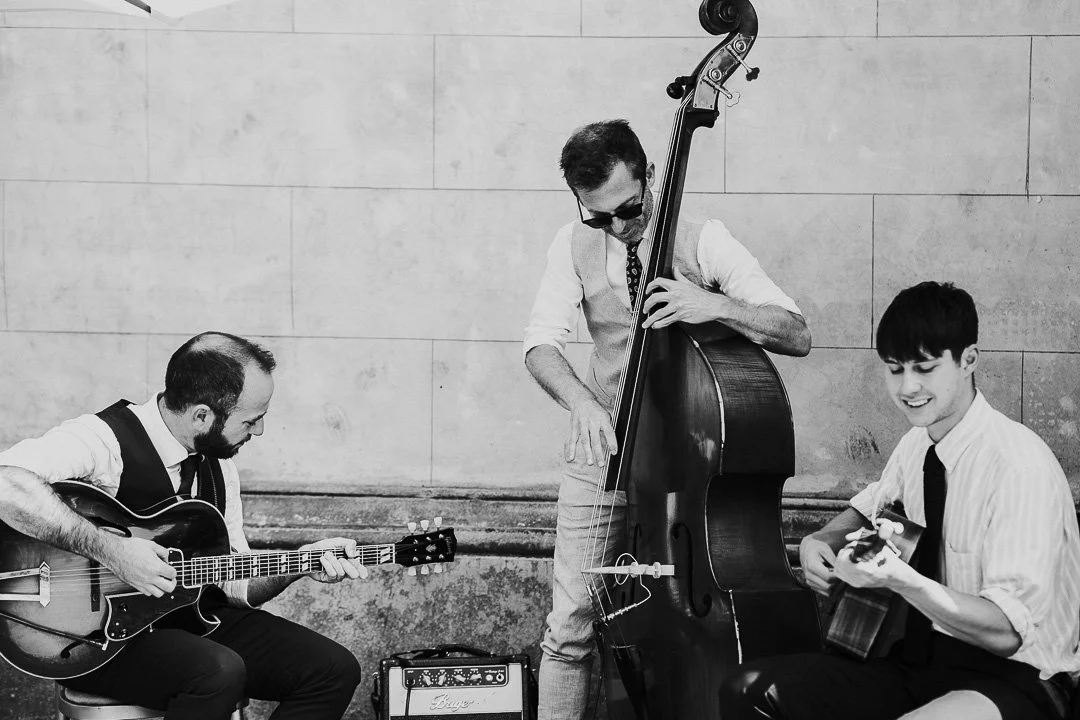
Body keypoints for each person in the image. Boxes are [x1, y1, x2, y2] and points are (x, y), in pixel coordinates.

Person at [523, 118, 811, 720]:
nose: (617, 229)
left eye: (627, 210)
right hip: (604, 455)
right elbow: (540, 345)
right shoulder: (569, 244)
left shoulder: (703, 238)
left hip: (687, 460)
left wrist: (715, 304)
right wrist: (581, 401)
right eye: (597, 217)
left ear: (650, 176)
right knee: (569, 626)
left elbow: (794, 331)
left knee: (684, 615)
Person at [720, 281, 1080, 720]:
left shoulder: (1019, 466)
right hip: (921, 662)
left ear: (968, 360)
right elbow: (870, 507)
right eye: (895, 369)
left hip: (1022, 679)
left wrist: (900, 579)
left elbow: (1007, 633)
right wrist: (821, 541)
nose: (908, 387)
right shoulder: (916, 445)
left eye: (925, 368)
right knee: (747, 692)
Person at [0, 332, 364, 720]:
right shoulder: (102, 440)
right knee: (217, 672)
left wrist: (298, 564)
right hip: (100, 639)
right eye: (252, 420)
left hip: (190, 621)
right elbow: (6, 483)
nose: (258, 432)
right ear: (202, 415)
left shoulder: (220, 465)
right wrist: (114, 552)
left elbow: (234, 583)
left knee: (332, 668)